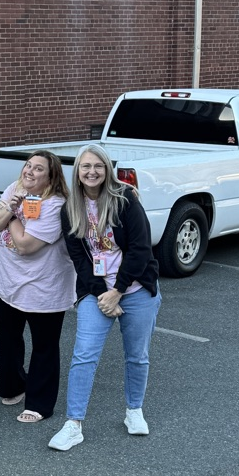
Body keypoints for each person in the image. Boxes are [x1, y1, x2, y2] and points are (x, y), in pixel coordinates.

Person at [48, 144, 162, 452]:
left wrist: (119, 291)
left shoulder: (125, 200)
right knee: (83, 355)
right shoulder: (70, 208)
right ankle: (73, 424)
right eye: (85, 166)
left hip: (136, 290)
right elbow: (79, 259)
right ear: (78, 172)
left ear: (106, 170)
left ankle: (134, 410)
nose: (92, 172)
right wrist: (103, 295)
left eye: (98, 166)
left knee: (137, 355)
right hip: (97, 293)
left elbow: (141, 249)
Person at [0, 151, 76, 423]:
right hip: (10, 285)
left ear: (51, 177)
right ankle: (14, 386)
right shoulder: (14, 189)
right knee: (7, 333)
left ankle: (40, 404)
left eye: (38, 169)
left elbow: (25, 245)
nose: (30, 172)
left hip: (44, 288)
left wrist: (11, 215)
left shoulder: (56, 205)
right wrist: (11, 207)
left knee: (44, 346)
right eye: (28, 166)